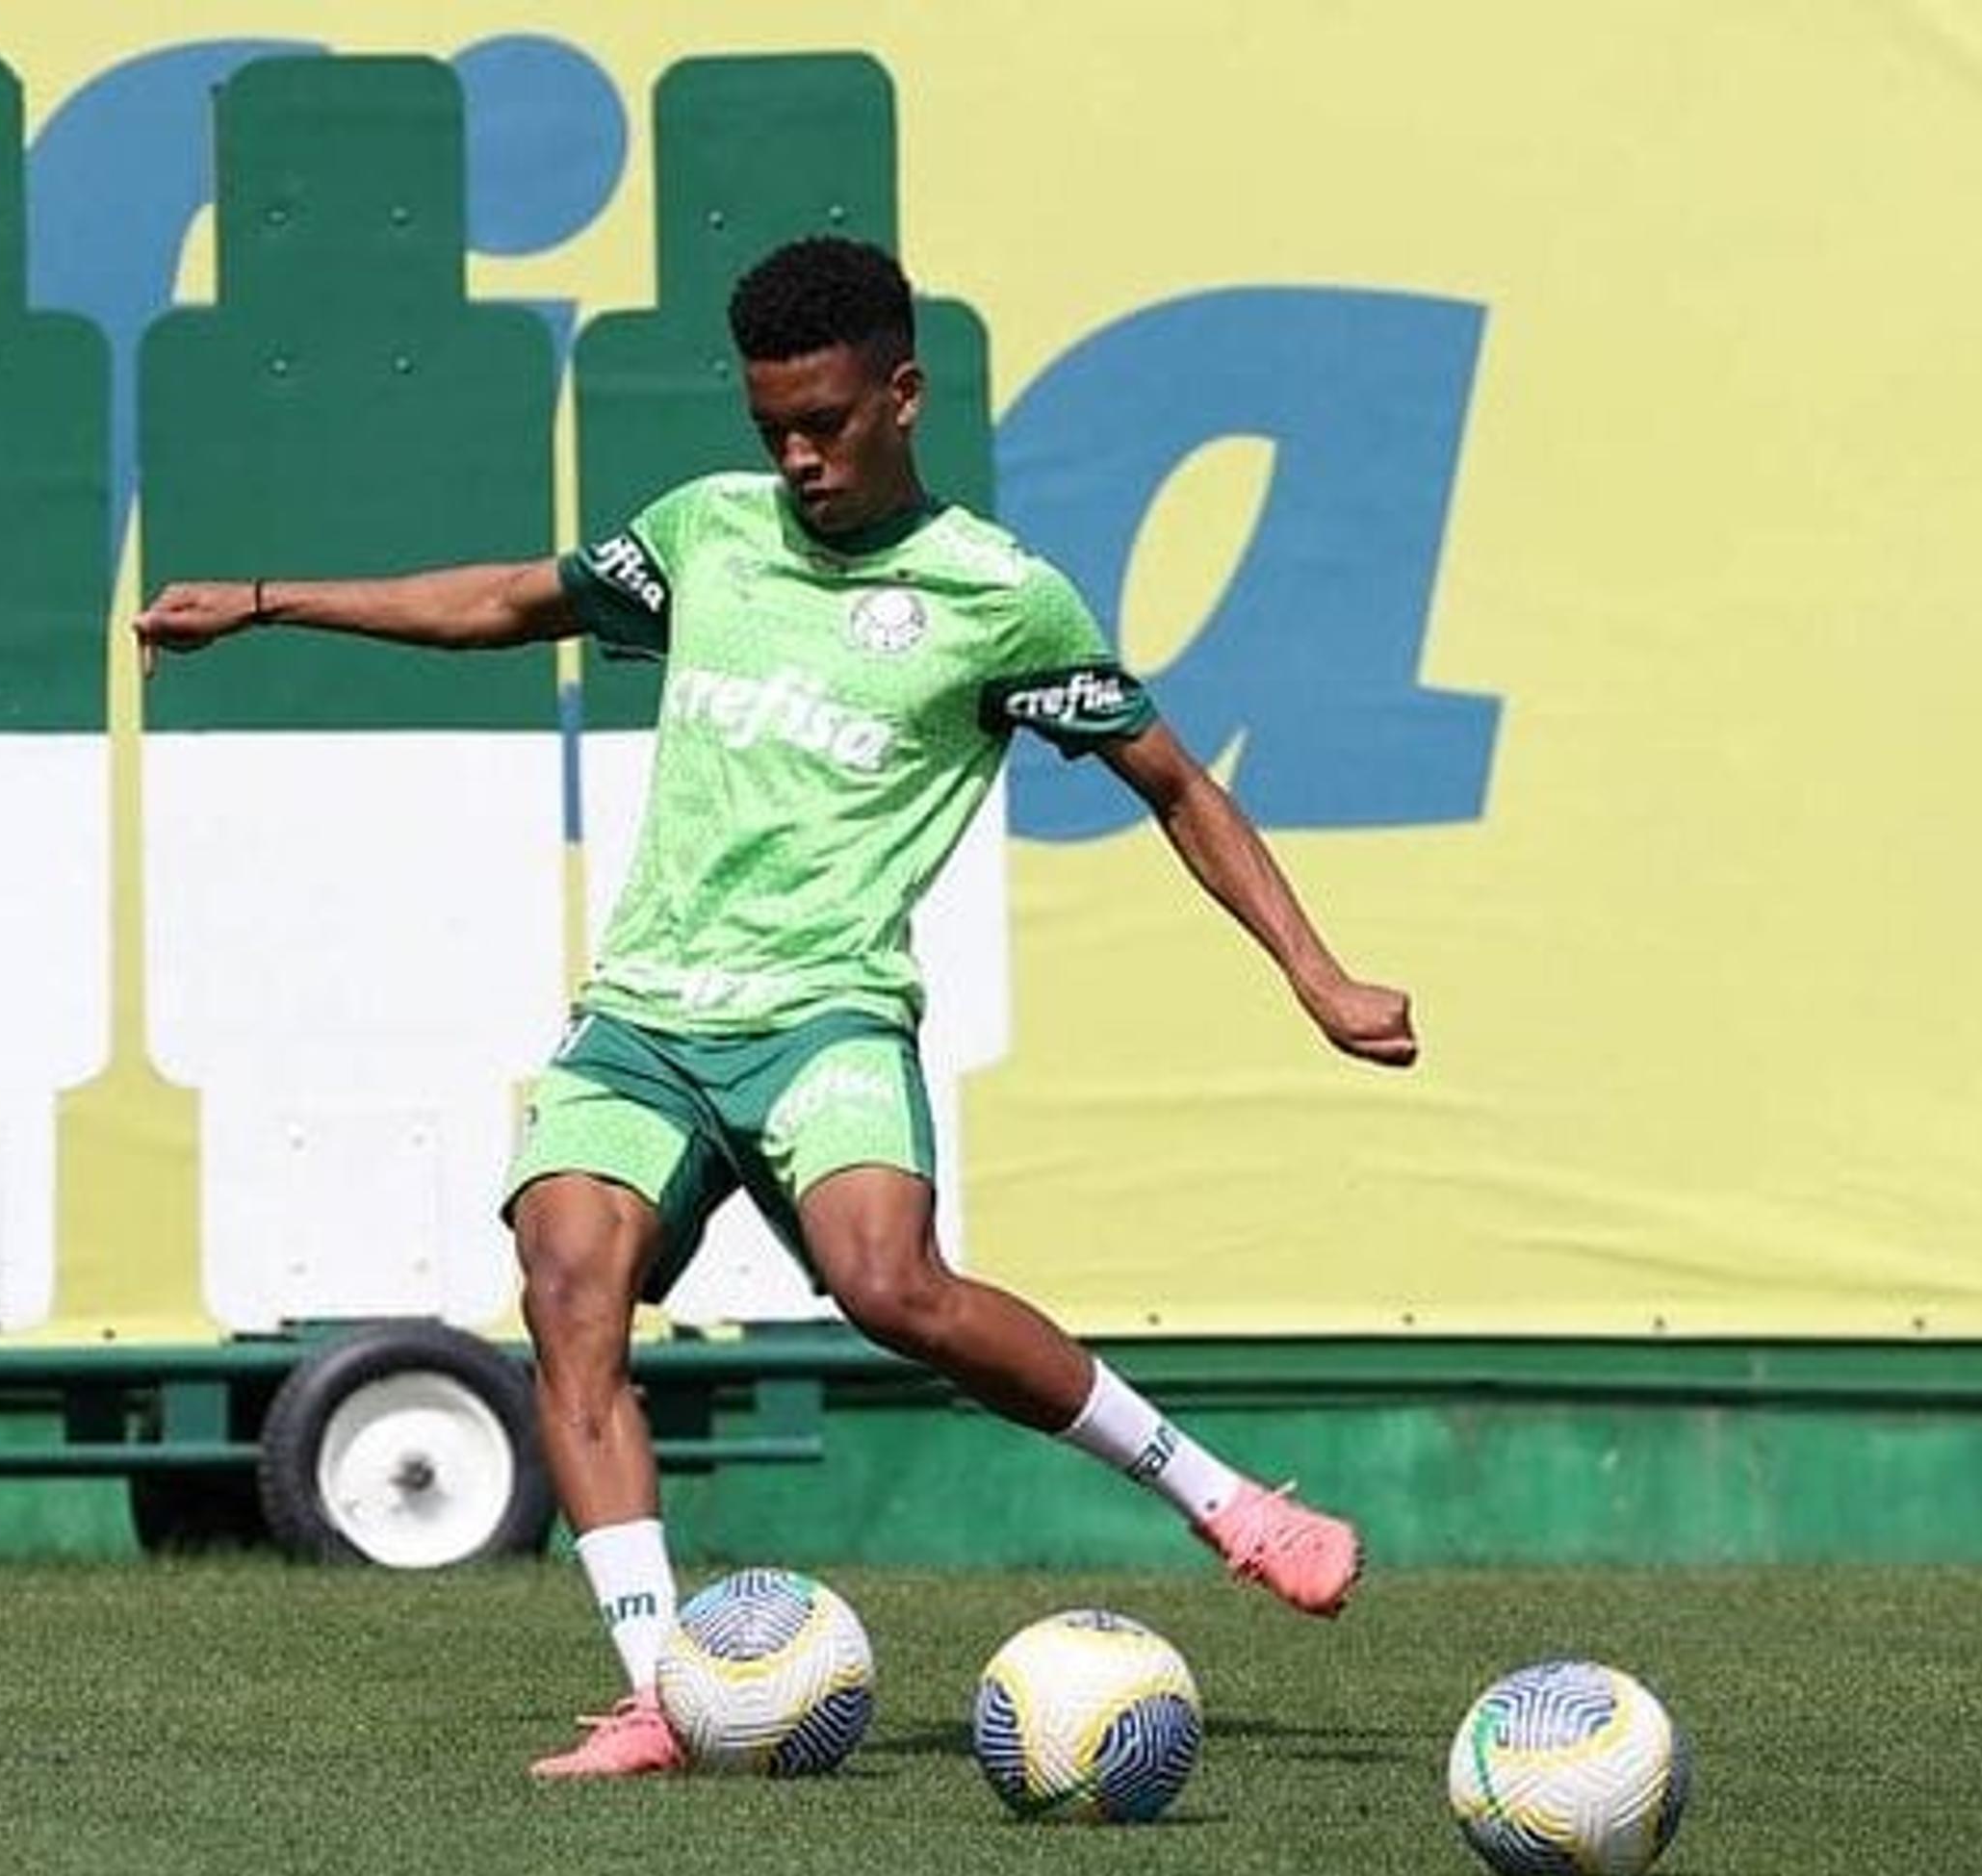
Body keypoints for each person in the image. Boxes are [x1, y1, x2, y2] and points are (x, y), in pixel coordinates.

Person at [136, 236, 1419, 1779]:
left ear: (905, 394)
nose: (797, 458)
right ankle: (661, 1695)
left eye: (824, 422)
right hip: (646, 1017)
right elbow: (500, 600)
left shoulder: (998, 601)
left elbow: (1178, 786)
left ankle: (1227, 1499)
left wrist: (1316, 971)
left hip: (825, 1014)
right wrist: (270, 603)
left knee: (892, 1286)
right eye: (772, 431)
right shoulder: (707, 537)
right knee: (565, 1282)